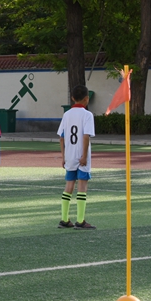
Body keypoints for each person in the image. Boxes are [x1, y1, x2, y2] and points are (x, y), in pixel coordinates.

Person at [57, 85, 96, 230]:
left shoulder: (66, 115)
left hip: (70, 155)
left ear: (72, 98)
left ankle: (64, 219)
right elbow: (86, 136)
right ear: (87, 99)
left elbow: (61, 137)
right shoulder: (87, 115)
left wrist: (63, 156)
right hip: (81, 156)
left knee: (69, 185)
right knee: (82, 186)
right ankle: (80, 221)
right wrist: (84, 156)